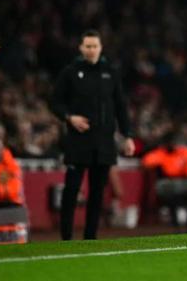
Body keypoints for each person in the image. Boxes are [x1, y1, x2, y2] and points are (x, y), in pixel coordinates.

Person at [51, 29, 135, 240]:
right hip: (78, 141)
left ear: (100, 48)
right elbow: (54, 102)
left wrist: (128, 135)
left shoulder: (111, 73)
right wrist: (70, 117)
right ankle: (66, 238)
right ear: (81, 48)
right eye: (88, 46)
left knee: (97, 193)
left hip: (104, 142)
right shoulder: (70, 72)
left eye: (95, 46)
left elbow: (121, 106)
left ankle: (90, 238)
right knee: (71, 190)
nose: (91, 50)